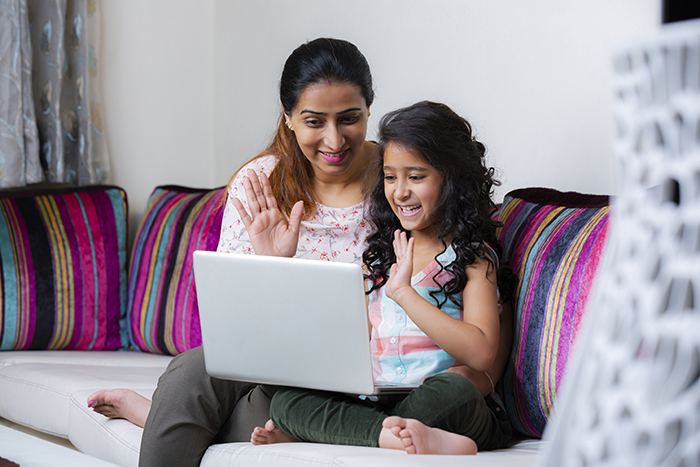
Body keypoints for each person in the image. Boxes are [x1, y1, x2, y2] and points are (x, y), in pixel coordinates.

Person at [86, 39, 512, 466]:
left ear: (369, 110)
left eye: (349, 118)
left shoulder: (398, 179)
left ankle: (159, 415)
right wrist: (272, 267)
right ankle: (169, 412)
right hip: (274, 360)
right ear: (288, 118)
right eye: (314, 121)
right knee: (188, 374)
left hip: (350, 384)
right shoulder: (262, 182)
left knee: (274, 411)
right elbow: (232, 328)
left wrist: (476, 379)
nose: (334, 139)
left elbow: (477, 296)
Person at [250, 101, 514, 455]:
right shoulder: (379, 258)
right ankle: (394, 434)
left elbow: (481, 354)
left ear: (452, 178)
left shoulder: (472, 257)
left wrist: (405, 294)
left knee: (453, 390)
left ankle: (368, 433)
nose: (400, 191)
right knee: (287, 401)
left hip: (448, 404)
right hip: (381, 403)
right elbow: (348, 350)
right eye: (390, 177)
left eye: (416, 177)